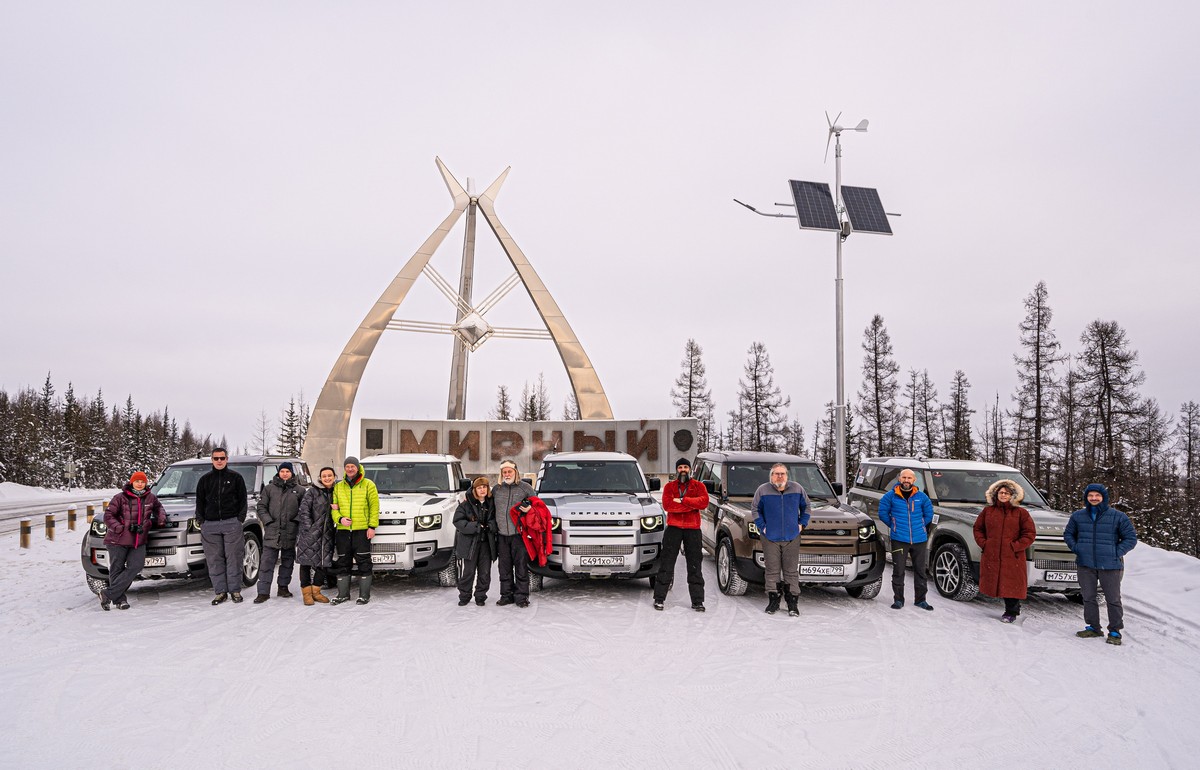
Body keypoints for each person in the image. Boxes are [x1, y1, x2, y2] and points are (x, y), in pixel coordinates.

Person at [1064, 483, 1138, 645]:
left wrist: (1116, 552)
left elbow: (1131, 539)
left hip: (1110, 565)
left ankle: (1114, 631)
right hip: (1085, 564)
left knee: (1113, 599)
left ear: (1104, 497)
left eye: (1097, 495)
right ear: (1086, 497)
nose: (1094, 498)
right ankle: (1093, 627)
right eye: (1090, 495)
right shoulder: (1078, 516)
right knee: (1088, 597)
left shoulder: (1118, 516)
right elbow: (1069, 534)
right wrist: (1077, 548)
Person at [98, 471, 166, 610]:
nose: (140, 484)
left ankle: (107, 594)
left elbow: (159, 508)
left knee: (136, 566)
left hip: (138, 540)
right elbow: (108, 515)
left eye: (142, 481)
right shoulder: (120, 497)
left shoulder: (151, 498)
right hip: (118, 540)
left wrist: (161, 518)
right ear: (131, 482)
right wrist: (119, 528)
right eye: (137, 481)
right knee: (117, 569)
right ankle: (120, 600)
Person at [972, 479, 1037, 622]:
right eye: (1001, 492)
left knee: (1011, 584)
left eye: (1007, 493)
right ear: (995, 495)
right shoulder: (988, 511)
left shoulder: (1021, 513)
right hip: (992, 553)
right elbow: (978, 529)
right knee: (995, 580)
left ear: (1012, 495)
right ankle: (1007, 608)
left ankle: (1011, 612)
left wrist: (1015, 546)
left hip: (1012, 556)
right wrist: (984, 543)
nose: (1003, 495)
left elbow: (1029, 533)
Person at [752, 463, 810, 617]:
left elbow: (807, 507)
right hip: (770, 537)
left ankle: (792, 603)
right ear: (771, 476)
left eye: (782, 473)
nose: (779, 476)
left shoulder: (797, 489)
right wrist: (763, 527)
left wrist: (801, 525)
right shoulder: (762, 490)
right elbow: (755, 510)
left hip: (792, 537)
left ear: (787, 476)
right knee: (772, 571)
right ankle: (774, 600)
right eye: (776, 474)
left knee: (791, 571)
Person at [653, 457, 710, 612]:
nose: (683, 469)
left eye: (685, 467)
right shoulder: (669, 487)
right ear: (676, 470)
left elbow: (704, 502)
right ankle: (659, 598)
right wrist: (691, 505)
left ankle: (697, 601)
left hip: (693, 529)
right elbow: (668, 505)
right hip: (674, 528)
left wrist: (682, 500)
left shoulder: (698, 486)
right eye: (680, 467)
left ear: (689, 469)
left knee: (695, 565)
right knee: (666, 563)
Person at [195, 447, 249, 605]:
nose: (219, 461)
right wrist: (201, 520)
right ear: (211, 460)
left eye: (222, 458)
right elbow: (199, 502)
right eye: (216, 458)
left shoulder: (236, 478)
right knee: (214, 560)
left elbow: (242, 500)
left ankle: (235, 590)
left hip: (232, 523)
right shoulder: (205, 480)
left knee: (234, 558)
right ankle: (220, 592)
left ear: (227, 459)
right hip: (210, 526)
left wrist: (239, 519)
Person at [878, 468, 935, 611]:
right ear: (899, 479)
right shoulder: (890, 496)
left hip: (919, 540)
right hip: (899, 539)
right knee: (899, 570)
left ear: (914, 480)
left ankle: (921, 600)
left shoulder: (922, 497)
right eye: (904, 477)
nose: (906, 480)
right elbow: (882, 513)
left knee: (921, 571)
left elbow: (929, 515)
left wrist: (921, 526)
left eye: (909, 478)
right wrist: (894, 525)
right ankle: (898, 600)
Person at [253, 461, 306, 603]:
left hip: (290, 531)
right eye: (282, 471)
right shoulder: (269, 489)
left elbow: (304, 510)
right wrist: (268, 521)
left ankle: (283, 587)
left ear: (291, 473)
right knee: (267, 563)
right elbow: (261, 507)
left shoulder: (299, 490)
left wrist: (295, 521)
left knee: (288, 562)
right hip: (272, 531)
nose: (285, 474)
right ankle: (263, 592)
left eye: (287, 471)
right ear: (278, 472)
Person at [330, 456, 379, 605]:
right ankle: (342, 594)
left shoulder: (368, 484)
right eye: (347, 466)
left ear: (358, 468)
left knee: (364, 561)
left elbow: (374, 507)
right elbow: (334, 509)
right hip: (343, 531)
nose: (350, 469)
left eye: (353, 466)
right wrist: (340, 520)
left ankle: (364, 595)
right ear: (344, 468)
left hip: (361, 530)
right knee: (343, 561)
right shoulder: (338, 487)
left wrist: (372, 526)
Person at [491, 459, 535, 608]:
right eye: (504, 472)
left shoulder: (525, 488)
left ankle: (521, 597)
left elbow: (538, 507)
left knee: (521, 567)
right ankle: (506, 595)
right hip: (502, 535)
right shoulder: (496, 489)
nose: (507, 474)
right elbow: (484, 501)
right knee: (504, 568)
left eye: (509, 471)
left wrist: (530, 509)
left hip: (520, 536)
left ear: (515, 472)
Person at [453, 476, 497, 606]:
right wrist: (476, 526)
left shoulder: (491, 504)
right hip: (470, 544)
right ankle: (464, 596)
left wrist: (490, 526)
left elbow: (497, 520)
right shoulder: (466, 505)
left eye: (484, 487)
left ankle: (480, 596)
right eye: (479, 488)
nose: (482, 490)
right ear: (474, 490)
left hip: (486, 544)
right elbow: (458, 521)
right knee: (468, 572)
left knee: (485, 573)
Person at [296, 466, 336, 605]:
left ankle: (316, 591)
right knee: (306, 562)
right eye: (324, 476)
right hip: (311, 533)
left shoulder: (337, 491)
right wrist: (309, 528)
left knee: (323, 563)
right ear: (320, 477)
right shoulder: (312, 492)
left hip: (328, 534)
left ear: (334, 476)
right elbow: (304, 510)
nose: (327, 478)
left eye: (329, 475)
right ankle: (306, 594)